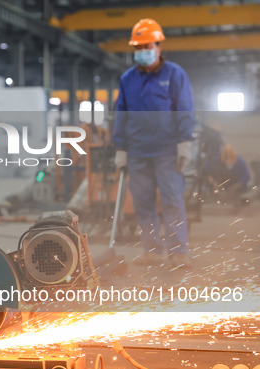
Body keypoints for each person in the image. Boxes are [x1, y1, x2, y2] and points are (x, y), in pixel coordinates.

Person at [112, 18, 196, 268]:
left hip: (168, 150)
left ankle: (178, 252)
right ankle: (152, 250)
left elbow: (184, 109)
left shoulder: (174, 74)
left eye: (146, 46)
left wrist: (185, 142)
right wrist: (121, 148)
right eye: (137, 48)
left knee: (172, 199)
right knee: (142, 201)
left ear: (158, 47)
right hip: (137, 151)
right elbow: (121, 113)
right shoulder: (127, 79)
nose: (142, 52)